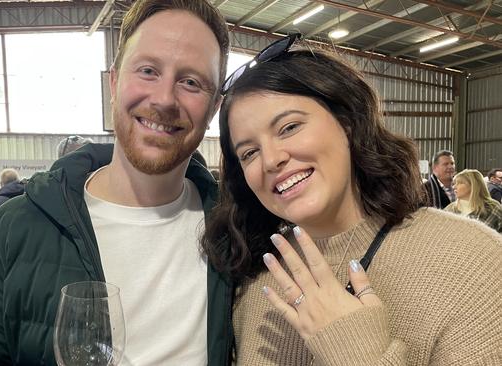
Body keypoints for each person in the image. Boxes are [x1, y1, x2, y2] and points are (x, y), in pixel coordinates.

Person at [0, 1, 233, 365]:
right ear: (114, 81)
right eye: (148, 70)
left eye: (191, 82)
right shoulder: (18, 227)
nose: (164, 99)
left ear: (215, 107)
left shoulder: (234, 229)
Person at [202, 36, 502, 365]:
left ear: (347, 122)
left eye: (289, 127)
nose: (271, 159)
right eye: (249, 153)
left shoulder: (474, 261)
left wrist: (356, 352)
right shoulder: (256, 274)